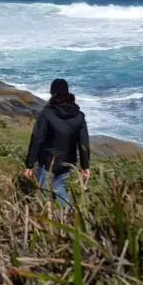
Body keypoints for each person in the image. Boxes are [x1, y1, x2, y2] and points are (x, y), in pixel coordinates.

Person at [24, 78, 91, 208]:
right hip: (67, 163)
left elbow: (37, 138)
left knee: (43, 193)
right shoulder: (79, 116)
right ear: (67, 93)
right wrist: (85, 166)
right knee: (59, 188)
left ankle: (47, 221)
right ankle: (68, 217)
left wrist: (29, 164)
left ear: (52, 93)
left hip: (47, 162)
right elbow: (84, 143)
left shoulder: (47, 113)